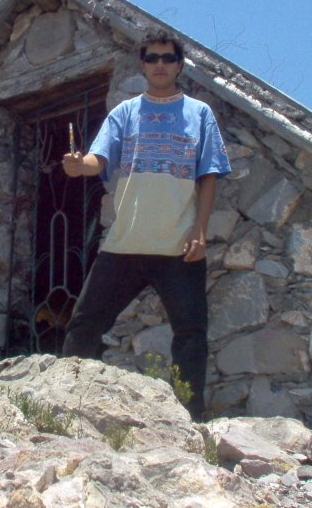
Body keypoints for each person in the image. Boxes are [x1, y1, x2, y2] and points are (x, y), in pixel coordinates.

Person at [60, 29, 231, 420]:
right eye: (152, 58)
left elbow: (208, 175)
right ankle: (68, 407)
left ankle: (191, 419)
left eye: (167, 58)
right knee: (84, 326)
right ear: (142, 64)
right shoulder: (124, 113)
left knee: (190, 336)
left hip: (178, 246)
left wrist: (201, 231)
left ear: (179, 65)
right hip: (125, 243)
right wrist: (77, 165)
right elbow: (97, 160)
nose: (159, 65)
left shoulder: (199, 114)